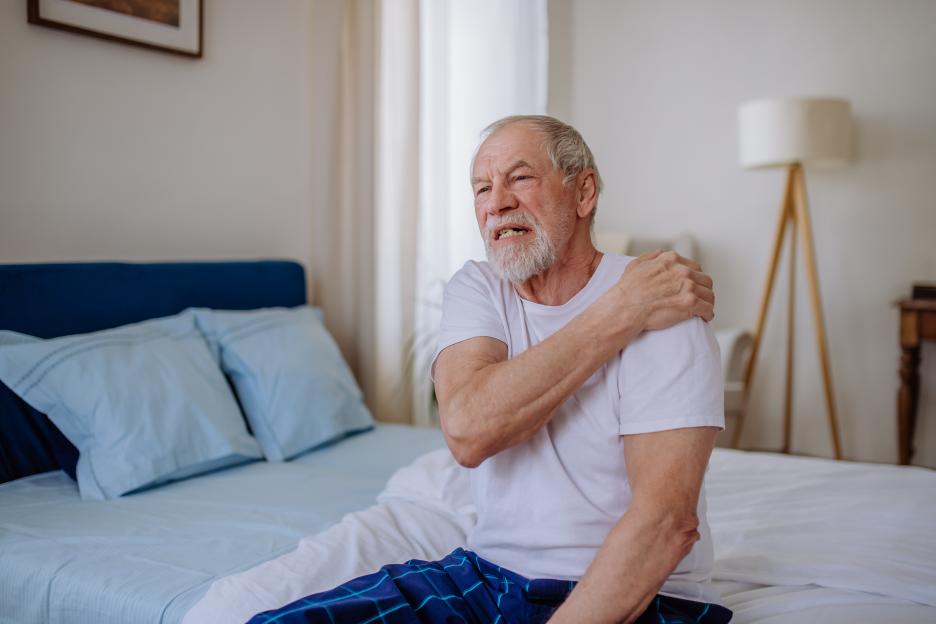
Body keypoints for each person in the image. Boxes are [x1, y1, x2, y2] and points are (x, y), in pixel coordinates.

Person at [248, 116, 732, 624]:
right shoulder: (483, 289)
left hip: (644, 596)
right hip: (489, 577)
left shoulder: (665, 299)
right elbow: (468, 431)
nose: (496, 201)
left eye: (520, 178)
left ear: (583, 192)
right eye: (482, 187)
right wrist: (619, 312)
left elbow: (665, 524)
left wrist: (635, 303)